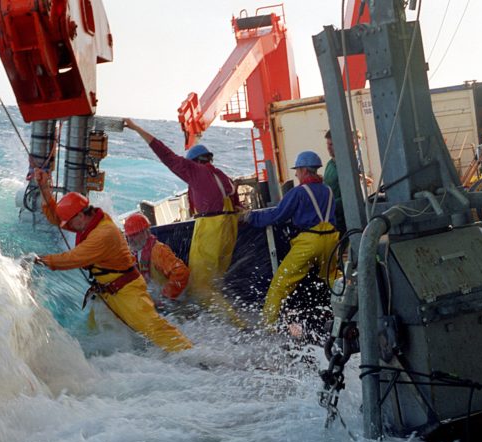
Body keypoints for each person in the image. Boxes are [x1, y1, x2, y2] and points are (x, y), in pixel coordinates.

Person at [31, 169, 192, 353]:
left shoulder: (104, 233)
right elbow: (57, 218)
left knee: (156, 329)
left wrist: (39, 260)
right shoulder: (88, 220)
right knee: (93, 334)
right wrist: (44, 188)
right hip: (106, 292)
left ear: (81, 216)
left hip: (126, 291)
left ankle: (194, 356)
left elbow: (73, 258)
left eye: (71, 223)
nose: (68, 227)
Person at [123, 119, 240, 294]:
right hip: (229, 229)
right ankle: (230, 317)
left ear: (193, 162)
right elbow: (233, 193)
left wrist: (137, 128)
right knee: (214, 282)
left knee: (199, 287)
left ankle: (227, 322)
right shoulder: (220, 175)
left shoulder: (195, 171)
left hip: (211, 229)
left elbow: (166, 155)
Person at [241, 151, 340, 332]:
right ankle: (349, 314)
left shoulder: (298, 192)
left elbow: (278, 215)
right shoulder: (328, 190)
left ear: (303, 170)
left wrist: (251, 217)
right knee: (332, 279)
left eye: (297, 171)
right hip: (332, 240)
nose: (296, 174)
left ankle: (268, 327)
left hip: (309, 243)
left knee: (280, 284)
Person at [124, 213, 190, 302]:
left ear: (146, 233)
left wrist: (165, 298)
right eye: (128, 236)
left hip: (172, 304)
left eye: (134, 235)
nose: (130, 239)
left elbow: (181, 272)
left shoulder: (158, 251)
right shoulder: (135, 252)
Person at [322, 131, 345, 235]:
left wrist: (329, 205)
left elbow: (348, 197)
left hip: (342, 217)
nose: (328, 147)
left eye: (331, 144)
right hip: (332, 216)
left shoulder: (345, 165)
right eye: (327, 144)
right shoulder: (330, 164)